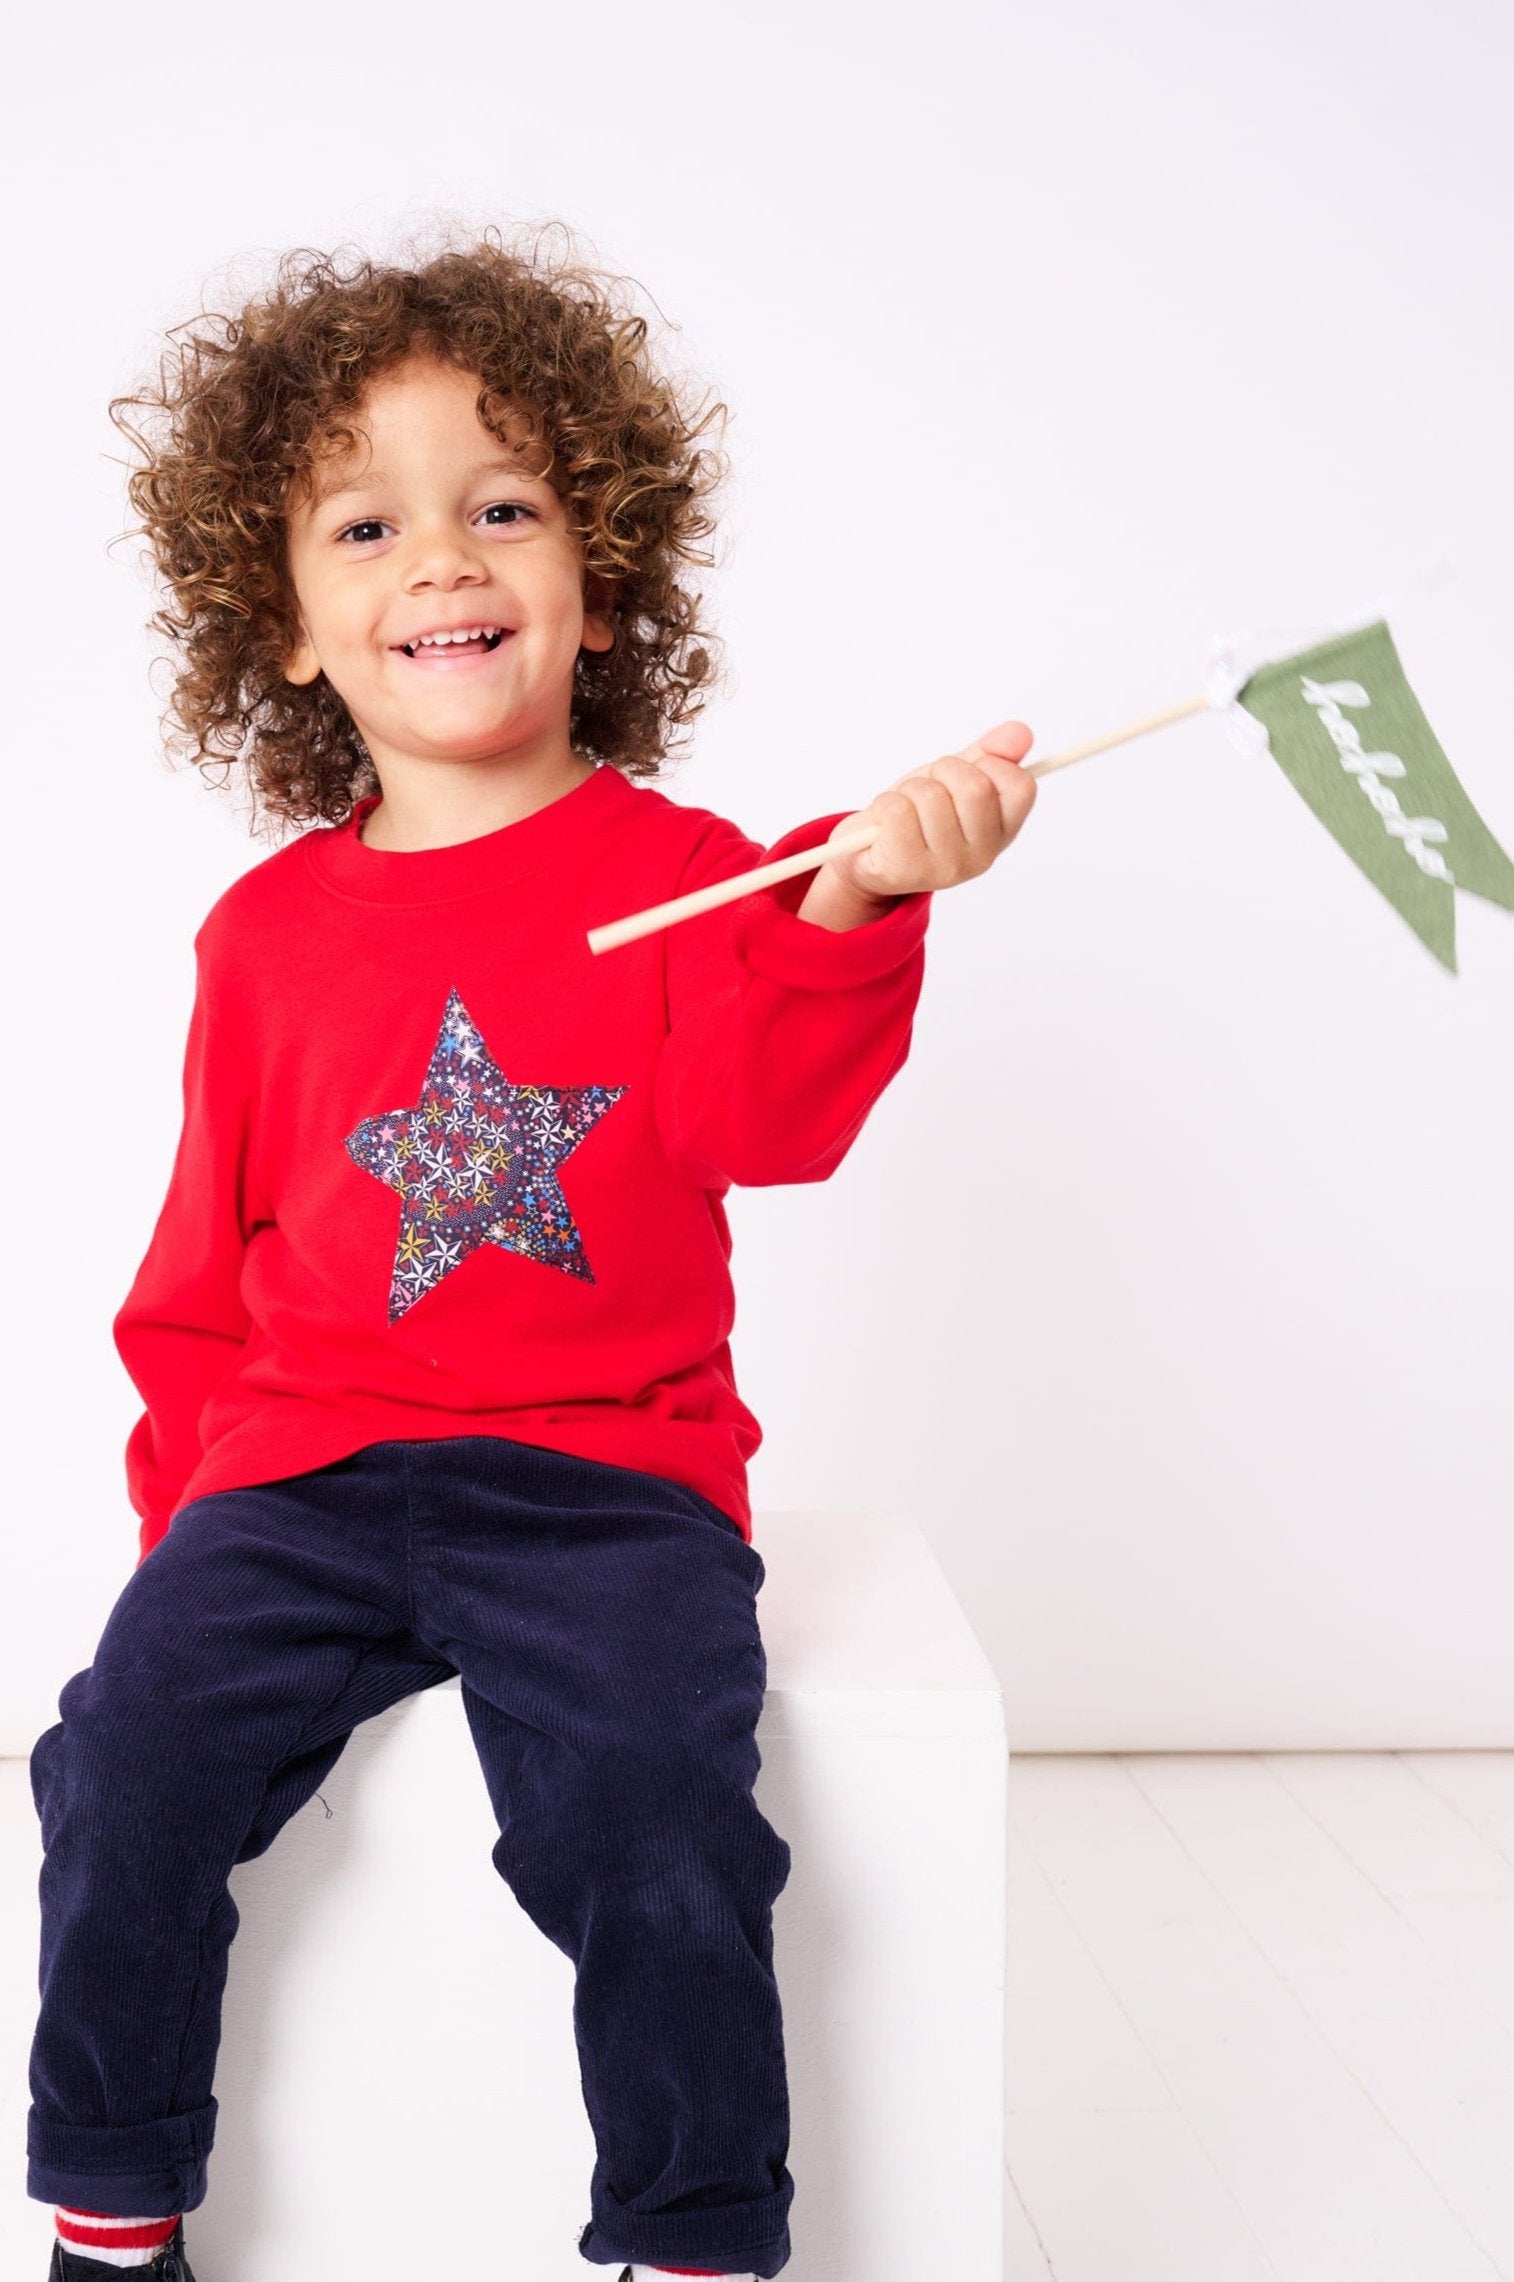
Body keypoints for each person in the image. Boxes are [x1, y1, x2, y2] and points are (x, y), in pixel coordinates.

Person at [24, 226, 1037, 2282]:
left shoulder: (699, 882)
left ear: (597, 574)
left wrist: (851, 911)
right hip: (299, 1473)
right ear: (289, 626)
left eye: (503, 506)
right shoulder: (269, 934)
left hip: (604, 1484)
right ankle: (114, 2212)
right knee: (117, 1760)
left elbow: (775, 1123)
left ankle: (689, 2239)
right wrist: (187, 1533)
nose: (444, 560)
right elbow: (200, 1262)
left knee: (656, 1814)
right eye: (369, 523)